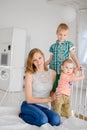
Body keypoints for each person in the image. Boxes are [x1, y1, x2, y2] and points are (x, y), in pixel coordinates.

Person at [19, 48, 61, 127]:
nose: (38, 62)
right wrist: (49, 99)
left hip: (44, 107)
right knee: (43, 120)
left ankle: (41, 115)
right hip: (30, 105)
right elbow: (29, 99)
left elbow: (51, 92)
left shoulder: (53, 73)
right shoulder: (30, 74)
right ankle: (22, 114)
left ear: (43, 56)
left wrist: (54, 100)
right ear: (31, 62)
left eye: (39, 58)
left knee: (56, 120)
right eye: (35, 60)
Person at [46, 23, 82, 93]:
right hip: (53, 70)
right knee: (53, 88)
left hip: (63, 71)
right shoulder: (53, 46)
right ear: (57, 33)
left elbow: (73, 55)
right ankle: (52, 102)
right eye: (60, 34)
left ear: (67, 35)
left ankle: (62, 101)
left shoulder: (68, 44)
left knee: (62, 88)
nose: (62, 37)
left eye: (64, 35)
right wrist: (43, 64)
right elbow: (50, 59)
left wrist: (78, 64)